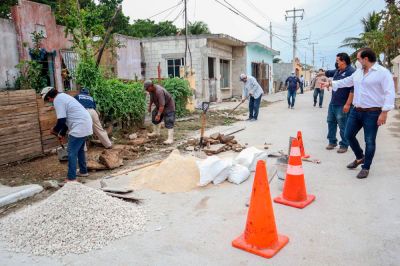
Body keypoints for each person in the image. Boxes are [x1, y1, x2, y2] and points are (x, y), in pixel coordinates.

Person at [321, 48, 395, 179]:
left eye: (359, 58)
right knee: (348, 135)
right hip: (356, 110)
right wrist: (330, 83)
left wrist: (384, 112)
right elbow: (347, 81)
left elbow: (390, 93)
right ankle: (360, 157)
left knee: (369, 141)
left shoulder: (383, 73)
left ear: (366, 59)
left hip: (373, 113)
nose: (357, 61)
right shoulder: (358, 73)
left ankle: (366, 167)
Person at [40, 87, 93, 182]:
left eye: (48, 100)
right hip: (85, 123)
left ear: (49, 97)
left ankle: (71, 178)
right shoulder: (63, 96)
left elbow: (61, 120)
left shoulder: (57, 100)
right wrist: (62, 133)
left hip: (80, 126)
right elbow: (66, 120)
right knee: (80, 149)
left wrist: (55, 131)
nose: (49, 101)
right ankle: (83, 171)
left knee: (71, 152)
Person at [324, 53, 355, 153]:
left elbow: (353, 90)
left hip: (343, 103)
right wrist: (320, 74)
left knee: (343, 125)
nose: (336, 63)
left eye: (338, 61)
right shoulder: (338, 70)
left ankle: (344, 144)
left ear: (343, 61)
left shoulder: (351, 72)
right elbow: (328, 73)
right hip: (333, 102)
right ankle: (332, 141)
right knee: (331, 122)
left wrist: (348, 104)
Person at [144, 80, 176, 144]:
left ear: (151, 86)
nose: (146, 90)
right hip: (160, 106)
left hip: (168, 107)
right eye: (146, 89)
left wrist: (159, 115)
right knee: (154, 114)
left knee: (169, 120)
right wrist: (149, 106)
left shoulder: (159, 91)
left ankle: (170, 139)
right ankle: (156, 132)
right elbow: (151, 98)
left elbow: (162, 105)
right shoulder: (151, 91)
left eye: (147, 88)